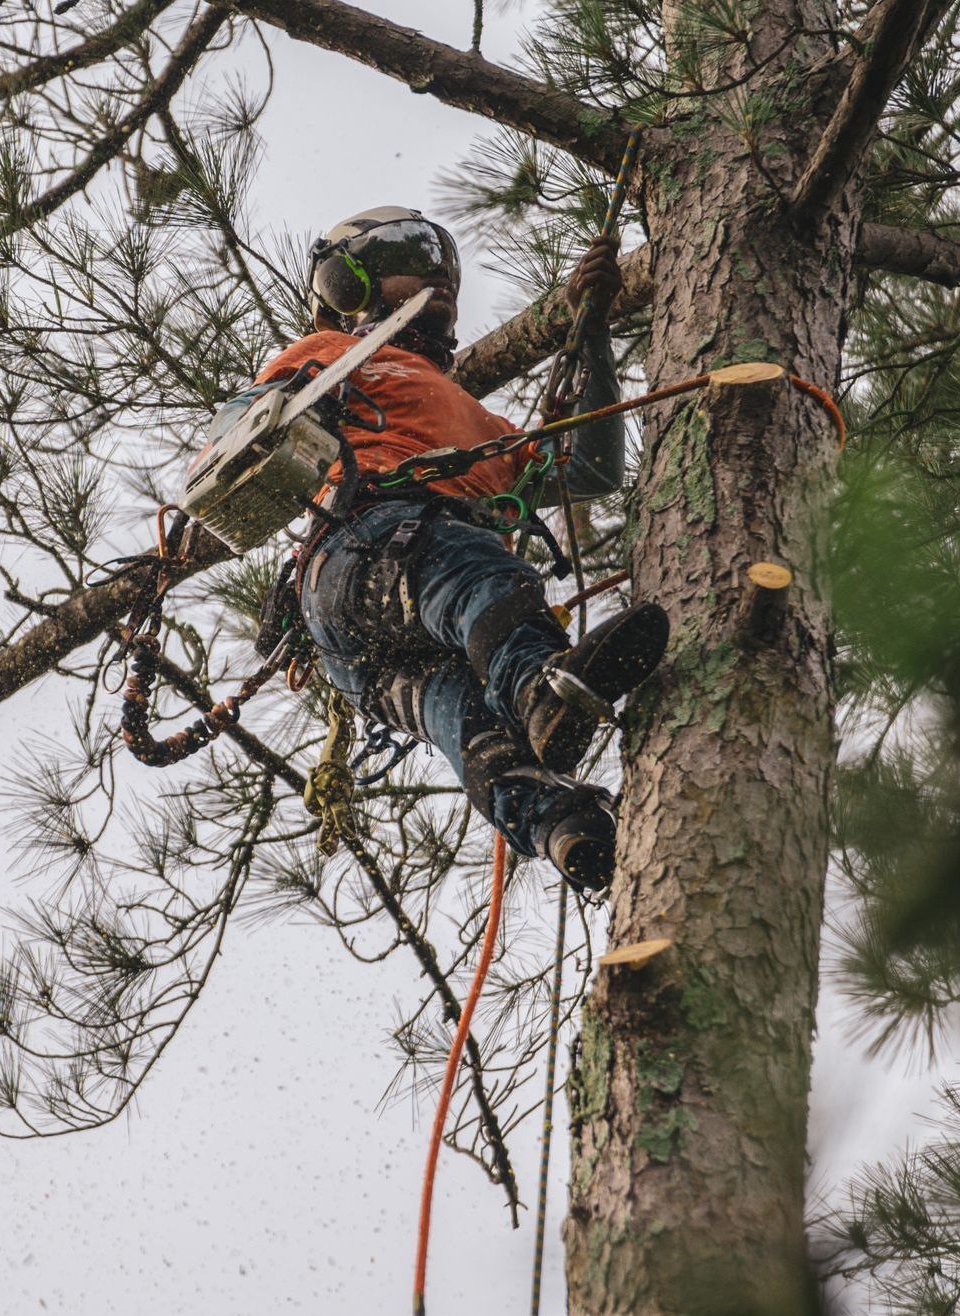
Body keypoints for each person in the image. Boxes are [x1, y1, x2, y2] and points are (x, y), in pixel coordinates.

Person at [254, 207, 667, 891]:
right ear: (352, 287)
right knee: (477, 573)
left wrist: (587, 331)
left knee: (467, 722)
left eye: (440, 265)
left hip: (364, 646)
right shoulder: (330, 357)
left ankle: (561, 827)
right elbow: (254, 434)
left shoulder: (484, 426)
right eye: (408, 264)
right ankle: (540, 688)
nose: (436, 279)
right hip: (373, 549)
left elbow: (591, 469)